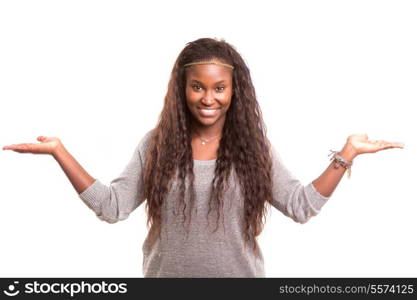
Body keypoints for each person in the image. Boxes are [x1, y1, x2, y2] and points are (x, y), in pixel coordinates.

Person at [2, 37, 404, 278]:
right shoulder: (156, 143)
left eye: (218, 88)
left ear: (234, 90)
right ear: (183, 89)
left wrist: (346, 154)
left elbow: (301, 206)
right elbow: (112, 207)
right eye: (197, 87)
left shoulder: (252, 147)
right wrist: (59, 151)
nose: (208, 98)